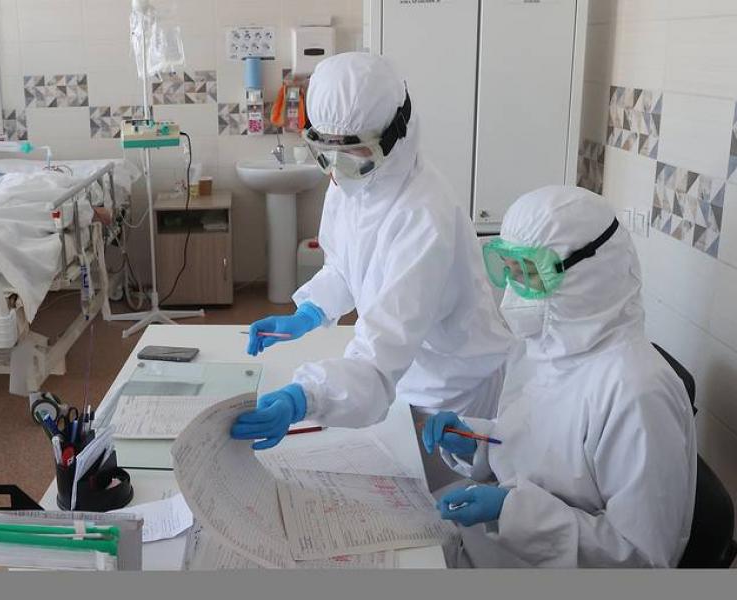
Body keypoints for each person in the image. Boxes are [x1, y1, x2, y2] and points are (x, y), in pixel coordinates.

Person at [230, 52, 512, 489]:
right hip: (406, 378)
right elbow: (347, 266)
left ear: (396, 135)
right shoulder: (355, 180)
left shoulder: (423, 216)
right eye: (326, 151)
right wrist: (310, 311)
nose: (336, 169)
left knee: (439, 511)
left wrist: (306, 396)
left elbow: (379, 357)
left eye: (353, 153)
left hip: (452, 390)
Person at [423, 185, 697, 567]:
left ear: (588, 274)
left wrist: (511, 512)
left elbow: (639, 559)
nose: (513, 295)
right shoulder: (544, 347)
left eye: (529, 274)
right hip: (506, 550)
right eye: (510, 271)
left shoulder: (637, 392)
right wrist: (479, 442)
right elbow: (542, 451)